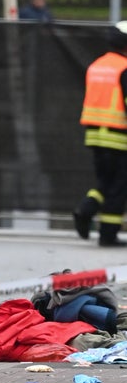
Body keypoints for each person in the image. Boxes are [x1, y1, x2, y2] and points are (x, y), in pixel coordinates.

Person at [73, 22, 127, 247]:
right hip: (118, 135)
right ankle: (107, 234)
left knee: (106, 182)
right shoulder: (124, 68)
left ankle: (86, 209)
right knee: (119, 186)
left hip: (95, 134)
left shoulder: (97, 65)